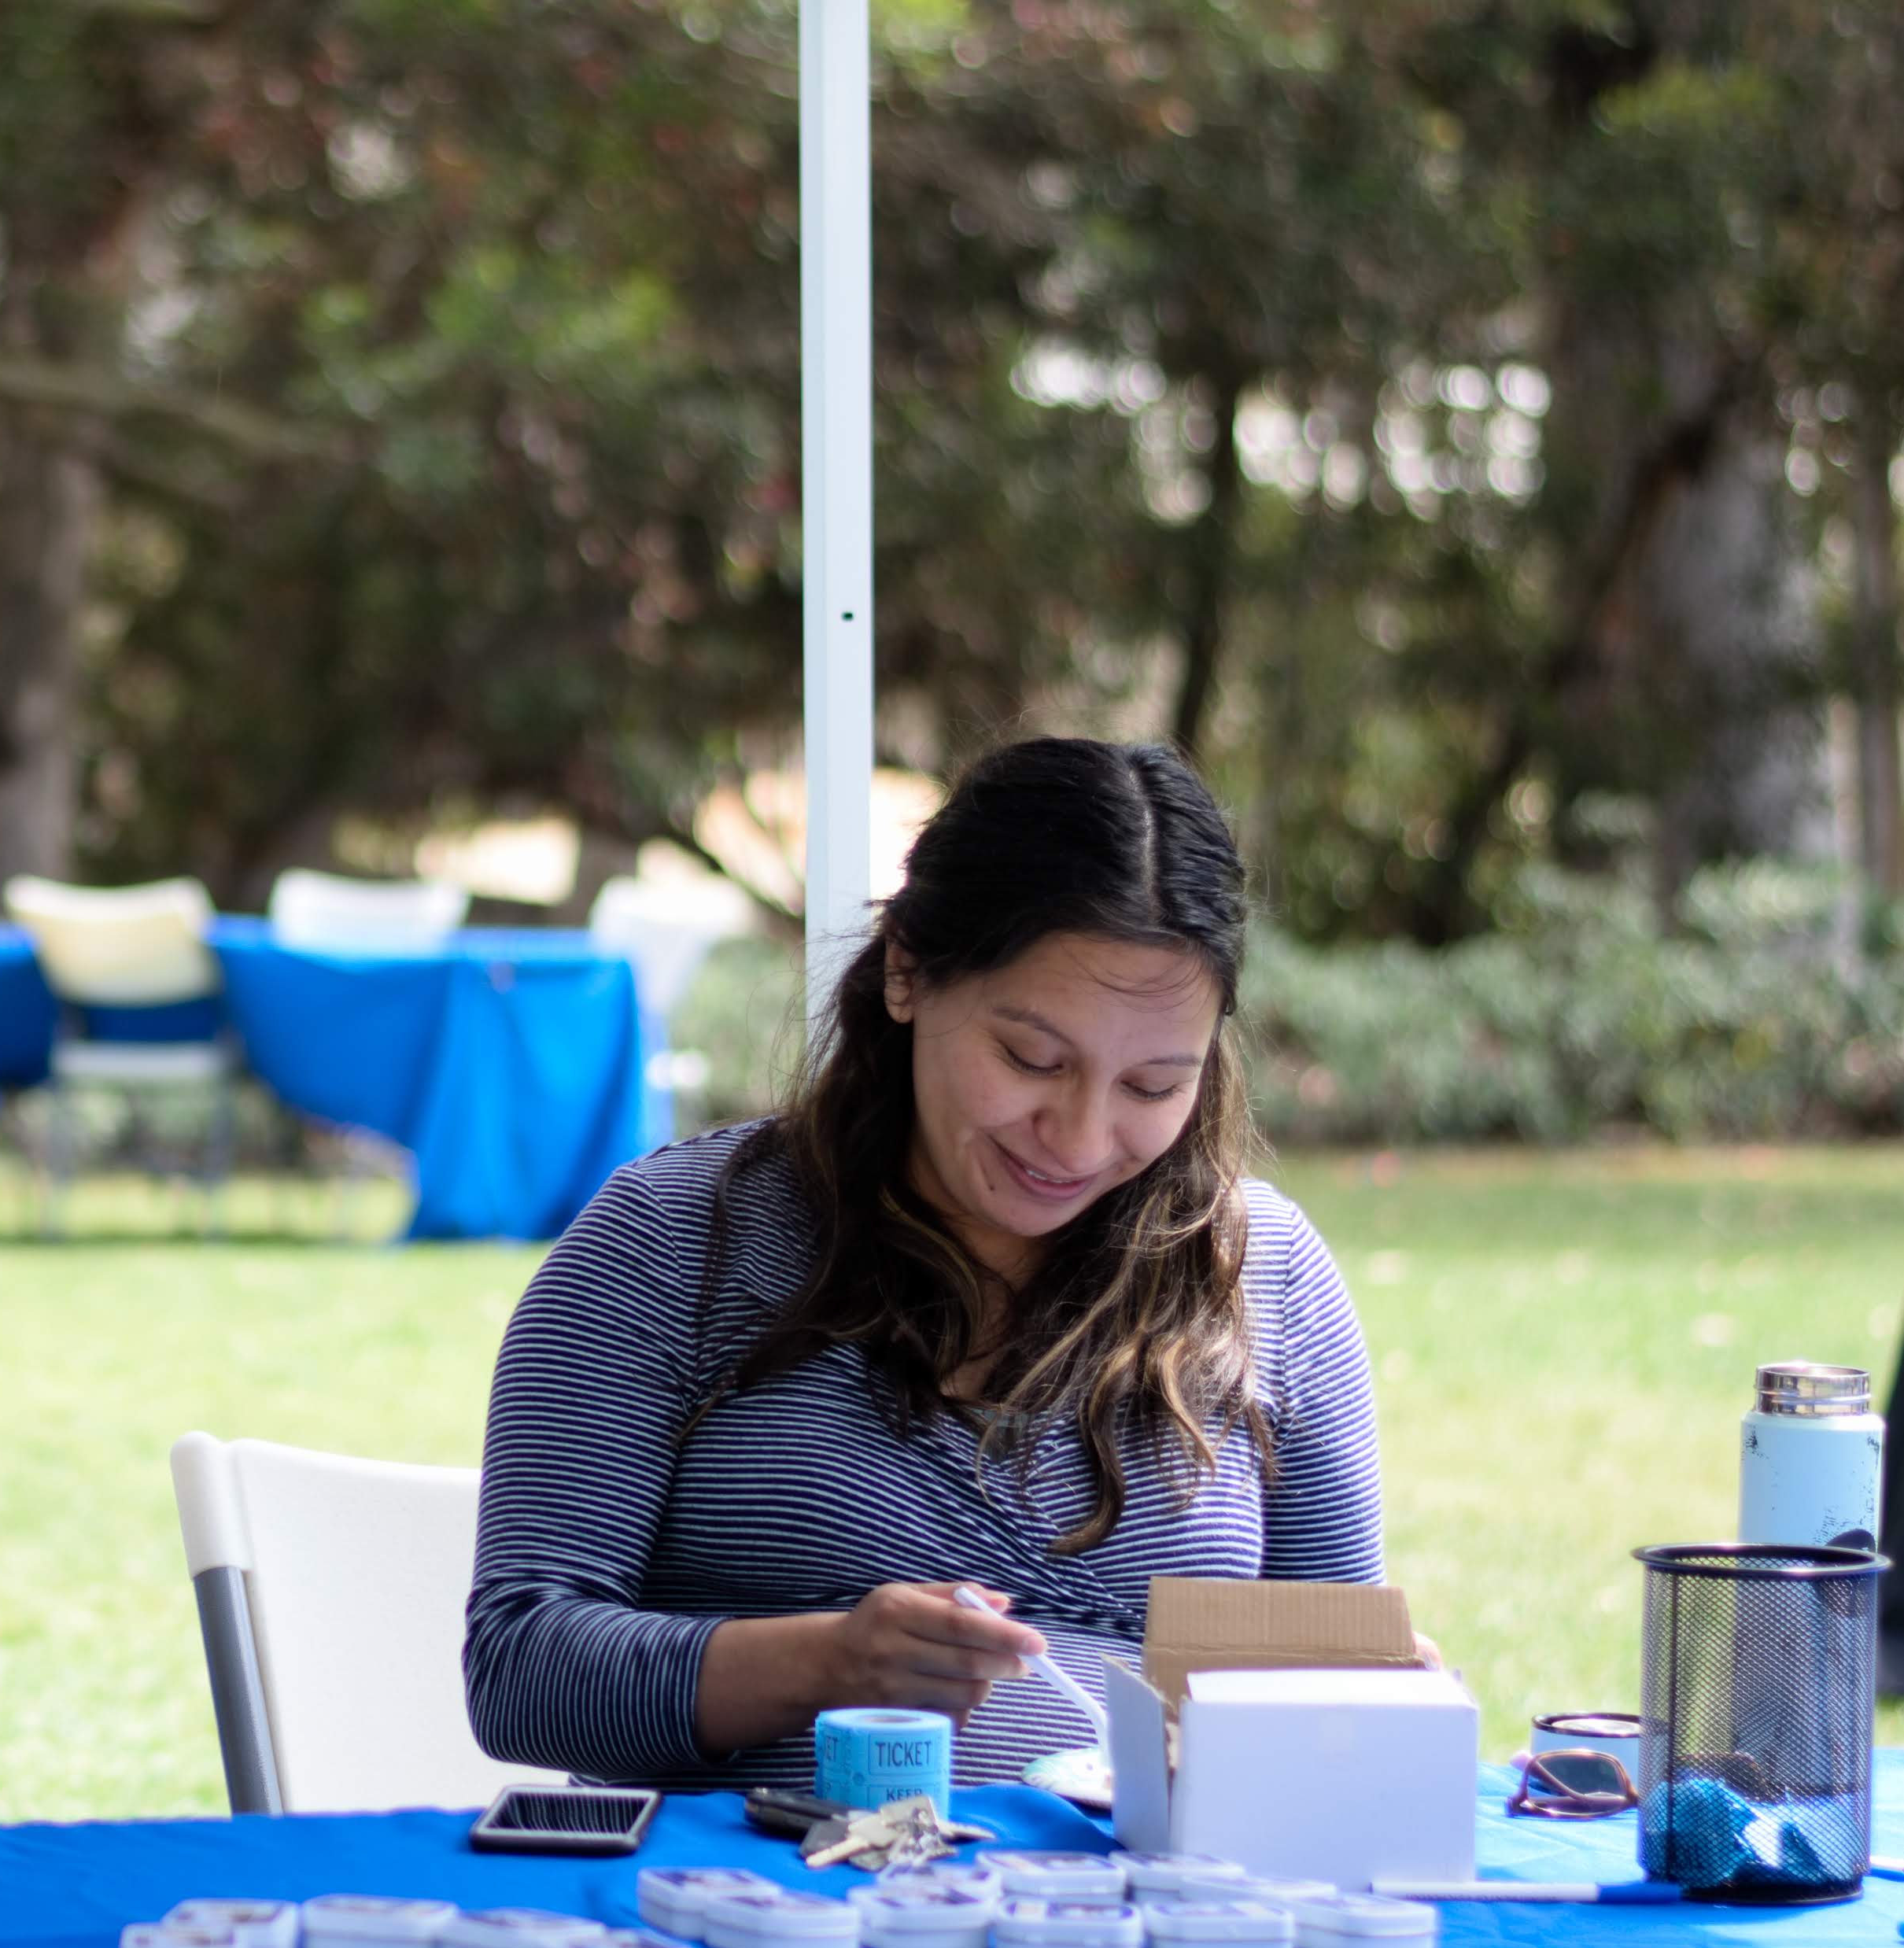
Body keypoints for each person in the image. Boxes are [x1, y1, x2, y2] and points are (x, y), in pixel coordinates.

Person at [466, 739, 1379, 1791]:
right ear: (905, 969)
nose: (1079, 1140)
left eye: (1152, 1086)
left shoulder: (1260, 1275)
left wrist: (1370, 1707)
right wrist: (825, 1661)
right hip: (769, 1916)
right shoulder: (673, 1242)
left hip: (1150, 1934)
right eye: (1032, 1059)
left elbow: (1333, 1677)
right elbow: (522, 1666)